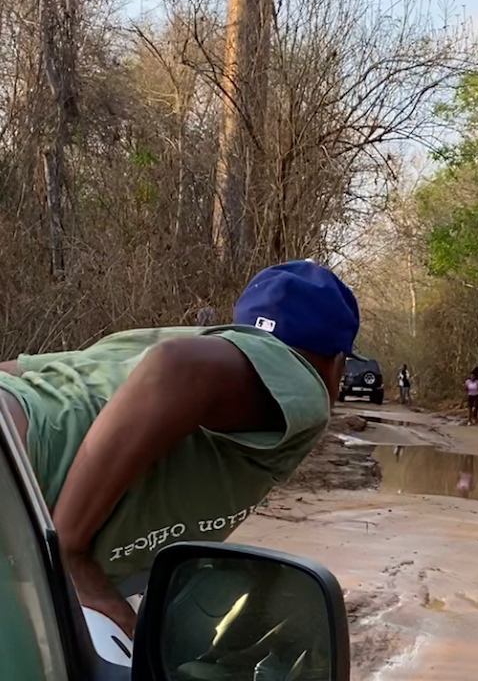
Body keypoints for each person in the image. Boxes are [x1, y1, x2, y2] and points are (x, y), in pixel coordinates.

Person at [0, 260, 359, 638]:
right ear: (336, 365)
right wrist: (69, 552)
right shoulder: (303, 385)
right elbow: (178, 369)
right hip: (22, 475)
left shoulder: (157, 339)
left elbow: (16, 371)